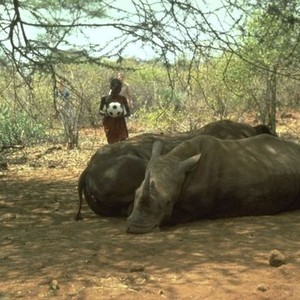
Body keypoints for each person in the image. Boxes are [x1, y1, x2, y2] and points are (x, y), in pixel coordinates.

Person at [99, 78, 131, 144]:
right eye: (116, 89)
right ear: (111, 87)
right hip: (109, 122)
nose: (117, 91)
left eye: (119, 89)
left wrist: (123, 115)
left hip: (120, 122)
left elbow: (128, 112)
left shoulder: (122, 98)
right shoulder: (105, 98)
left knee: (123, 140)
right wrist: (105, 113)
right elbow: (100, 111)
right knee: (112, 142)